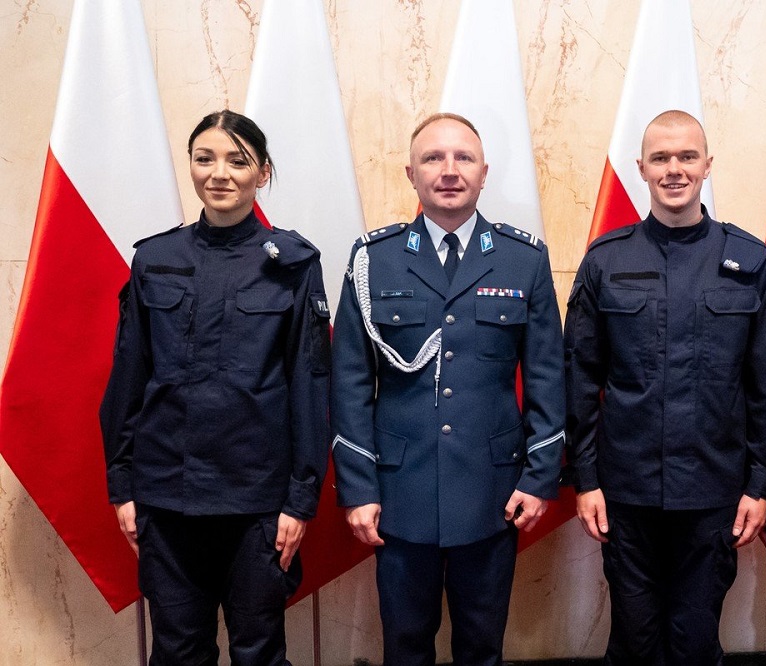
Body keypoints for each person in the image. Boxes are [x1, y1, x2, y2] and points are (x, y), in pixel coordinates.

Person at [331, 112, 565, 666]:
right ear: (410, 173)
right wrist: (359, 488)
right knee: (405, 647)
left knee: (482, 647)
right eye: (433, 158)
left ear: (484, 173)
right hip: (399, 492)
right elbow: (350, 379)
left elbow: (548, 376)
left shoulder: (522, 258)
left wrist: (538, 478)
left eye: (463, 158)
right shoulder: (374, 259)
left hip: (493, 493)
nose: (449, 170)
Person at [100, 110, 331, 665]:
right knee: (178, 652)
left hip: (256, 501)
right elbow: (127, 380)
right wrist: (123, 485)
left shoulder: (293, 265)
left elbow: (309, 387)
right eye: (205, 159)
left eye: (238, 160)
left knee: (258, 652)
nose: (219, 173)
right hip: (166, 496)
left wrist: (301, 499)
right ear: (192, 167)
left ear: (263, 173)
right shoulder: (156, 260)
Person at [563, 109, 766, 664]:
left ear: (708, 165)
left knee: (694, 641)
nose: (674, 169)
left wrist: (759, 485)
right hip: (627, 493)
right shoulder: (606, 261)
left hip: (714, 492)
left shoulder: (749, 261)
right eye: (661, 158)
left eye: (687, 156)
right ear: (641, 168)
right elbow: (579, 377)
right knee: (635, 642)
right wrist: (585, 479)